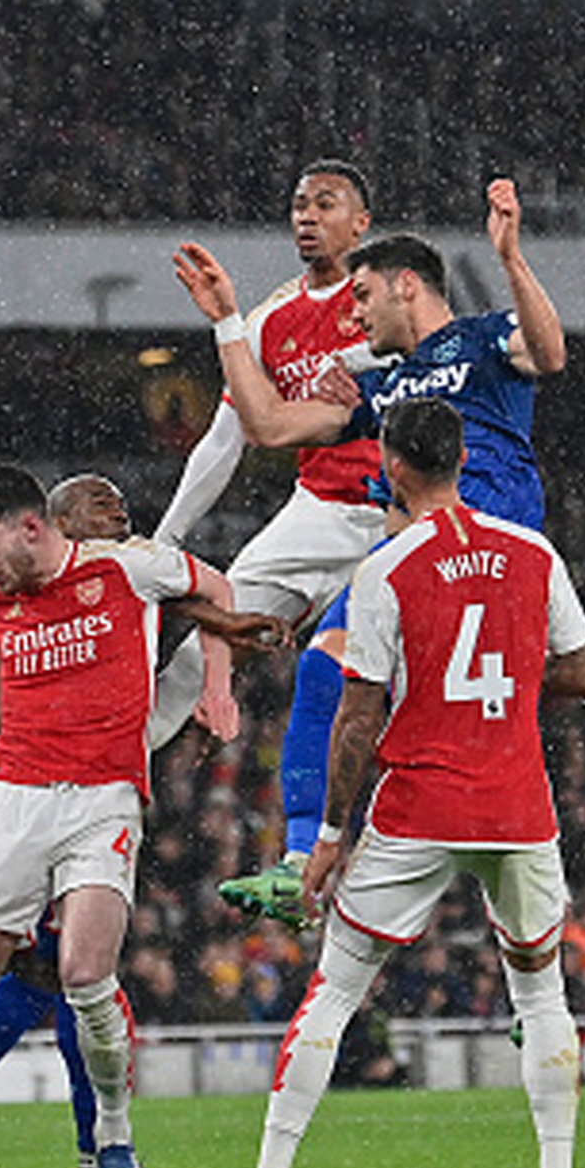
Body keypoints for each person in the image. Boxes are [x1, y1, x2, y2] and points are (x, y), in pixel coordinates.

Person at [184, 180, 585, 922]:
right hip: (415, 555)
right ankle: (304, 864)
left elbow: (550, 353)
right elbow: (268, 425)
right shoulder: (389, 388)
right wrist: (230, 324)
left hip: (491, 543)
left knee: (457, 704)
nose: (353, 313)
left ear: (405, 286)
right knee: (329, 668)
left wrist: (510, 256)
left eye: (362, 296)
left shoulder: (485, 338)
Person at [216, 398, 585, 1168]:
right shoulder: (534, 554)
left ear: (391, 466)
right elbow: (578, 669)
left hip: (422, 801)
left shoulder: (386, 568)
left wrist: (324, 838)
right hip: (516, 802)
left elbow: (356, 716)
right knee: (540, 992)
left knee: (337, 991)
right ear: (464, 458)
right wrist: (508, 698)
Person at [0, 472, 262, 1168]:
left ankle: (114, 1164)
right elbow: (4, 668)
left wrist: (219, 683)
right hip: (14, 797)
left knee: (87, 977)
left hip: (102, 798)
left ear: (29, 527)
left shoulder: (124, 567)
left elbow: (220, 589)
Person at [149, 159, 388, 748]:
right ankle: (109, 774)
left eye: (325, 203)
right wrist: (167, 539)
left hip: (401, 518)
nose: (307, 216)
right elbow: (225, 438)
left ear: (362, 223)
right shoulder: (269, 321)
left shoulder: (390, 300)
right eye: (300, 205)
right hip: (320, 513)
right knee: (197, 661)